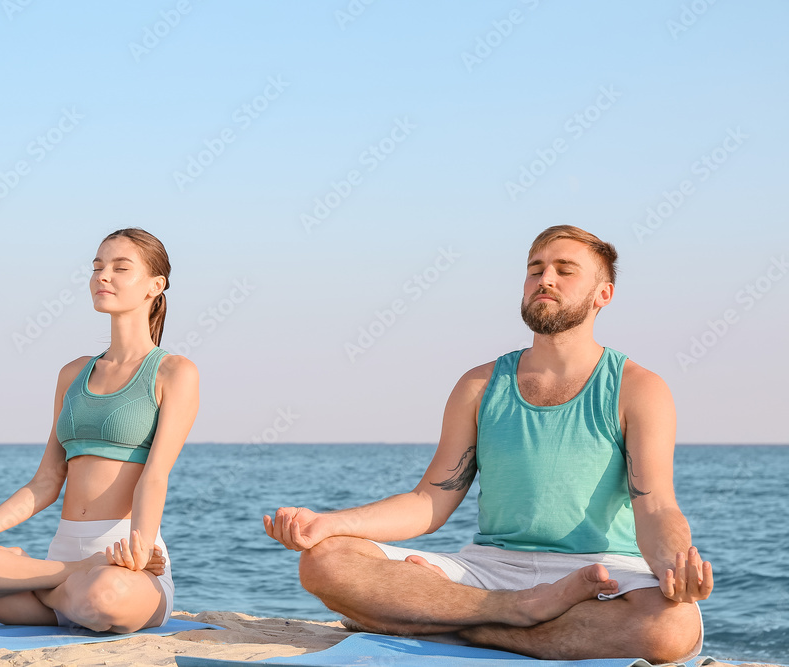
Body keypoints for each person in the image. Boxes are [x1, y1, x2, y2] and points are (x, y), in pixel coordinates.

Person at [264, 225, 711, 664]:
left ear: (603, 294)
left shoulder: (638, 388)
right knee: (325, 561)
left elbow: (656, 506)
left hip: (601, 570)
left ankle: (456, 625)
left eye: (564, 270)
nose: (545, 279)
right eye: (535, 269)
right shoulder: (479, 385)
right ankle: (515, 611)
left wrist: (675, 564)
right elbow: (430, 500)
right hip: (491, 570)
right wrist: (330, 524)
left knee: (673, 626)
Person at [0, 227, 199, 631]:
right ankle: (59, 576)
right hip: (63, 560)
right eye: (97, 266)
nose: (102, 276)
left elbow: (155, 476)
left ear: (155, 286)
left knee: (104, 597)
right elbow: (46, 481)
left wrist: (140, 548)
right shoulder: (73, 373)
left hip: (124, 565)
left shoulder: (174, 372)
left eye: (120, 268)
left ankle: (33, 582)